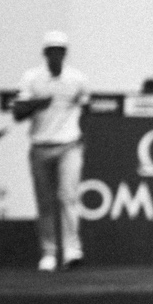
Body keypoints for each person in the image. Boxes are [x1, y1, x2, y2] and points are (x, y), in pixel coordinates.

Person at [14, 30, 90, 272]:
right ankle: (48, 253)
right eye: (52, 51)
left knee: (68, 197)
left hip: (69, 145)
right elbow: (17, 113)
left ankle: (71, 251)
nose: (56, 55)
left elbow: (86, 109)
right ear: (45, 53)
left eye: (60, 51)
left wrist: (81, 137)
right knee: (45, 202)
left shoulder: (77, 79)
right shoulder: (31, 78)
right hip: (40, 146)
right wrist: (39, 102)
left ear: (65, 53)